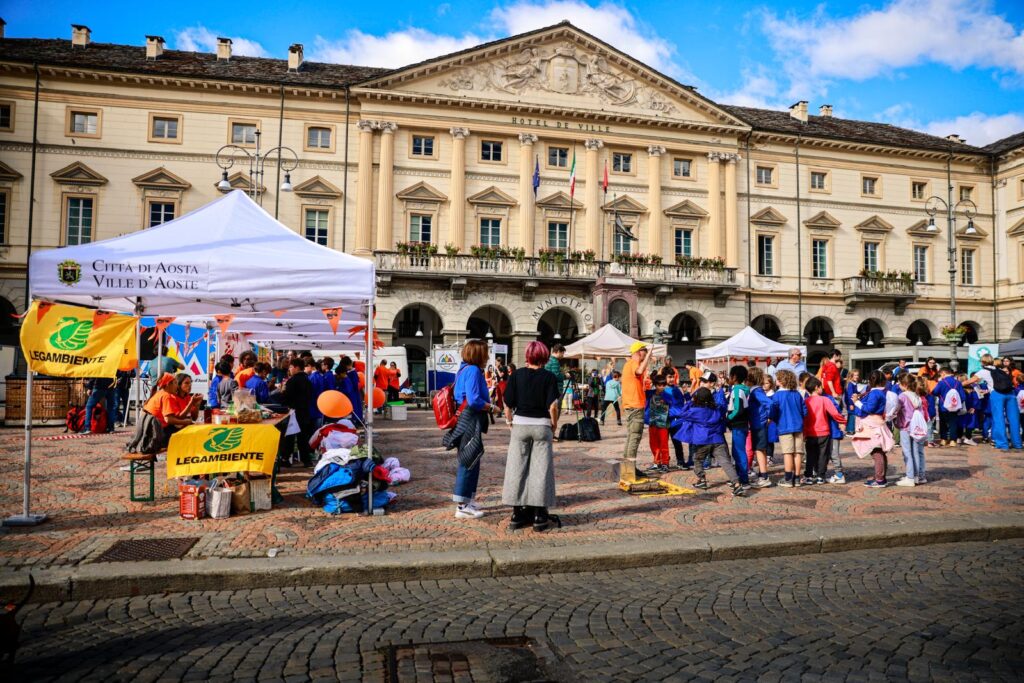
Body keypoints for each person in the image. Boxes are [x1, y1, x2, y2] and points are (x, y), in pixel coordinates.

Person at [502, 341, 562, 532]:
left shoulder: (517, 375)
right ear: (544, 357)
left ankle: (517, 513)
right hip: (541, 426)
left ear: (527, 356)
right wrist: (554, 425)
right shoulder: (549, 377)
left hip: (520, 424)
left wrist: (510, 422)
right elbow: (553, 406)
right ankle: (538, 515)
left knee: (516, 468)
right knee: (540, 469)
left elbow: (507, 405)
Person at [446, 339, 494, 519]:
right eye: (485, 352)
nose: (488, 356)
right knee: (468, 460)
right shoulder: (473, 370)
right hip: (470, 418)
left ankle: (468, 500)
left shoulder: (464, 369)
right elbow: (474, 400)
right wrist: (491, 407)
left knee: (472, 458)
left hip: (465, 418)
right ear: (478, 354)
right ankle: (462, 505)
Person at [673, 387, 748, 497]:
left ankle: (702, 479)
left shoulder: (695, 411)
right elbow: (723, 407)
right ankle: (737, 484)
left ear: (697, 399)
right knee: (726, 462)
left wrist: (690, 402)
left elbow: (682, 413)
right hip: (718, 440)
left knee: (697, 460)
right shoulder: (716, 409)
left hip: (702, 441)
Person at [965, 354, 1019, 451]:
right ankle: (1017, 443)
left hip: (997, 394)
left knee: (998, 419)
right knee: (1014, 419)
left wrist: (958, 384)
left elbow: (969, 381)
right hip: (1011, 394)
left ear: (982, 362)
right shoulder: (999, 370)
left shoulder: (983, 371)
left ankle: (1002, 444)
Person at [852, 370, 896, 488]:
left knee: (876, 452)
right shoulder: (882, 392)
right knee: (879, 452)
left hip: (873, 425)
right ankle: (881, 477)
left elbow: (869, 408)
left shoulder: (874, 393)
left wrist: (857, 402)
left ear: (871, 381)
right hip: (878, 423)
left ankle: (880, 479)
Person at [803, 376, 846, 485]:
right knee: (823, 455)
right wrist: (843, 421)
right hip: (824, 432)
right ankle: (820, 477)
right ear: (817, 387)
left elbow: (803, 417)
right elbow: (835, 413)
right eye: (821, 387)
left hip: (810, 432)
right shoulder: (824, 399)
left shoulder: (806, 401)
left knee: (810, 455)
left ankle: (808, 476)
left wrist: (803, 432)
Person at [621, 341, 654, 481]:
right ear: (638, 352)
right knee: (634, 437)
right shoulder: (633, 362)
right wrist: (650, 353)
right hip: (635, 405)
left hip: (631, 405)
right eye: (644, 352)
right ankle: (630, 470)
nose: (645, 355)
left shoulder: (628, 364)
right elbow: (639, 370)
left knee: (631, 436)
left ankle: (628, 467)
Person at [770, 369, 806, 488]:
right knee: (798, 452)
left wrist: (774, 420)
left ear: (780, 381)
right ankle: (797, 477)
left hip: (784, 426)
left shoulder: (777, 395)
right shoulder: (797, 394)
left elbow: (773, 412)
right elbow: (804, 411)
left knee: (788, 453)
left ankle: (788, 479)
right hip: (798, 425)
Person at [278, 358, 315, 467]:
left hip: (294, 412)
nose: (289, 369)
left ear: (296, 367)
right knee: (303, 438)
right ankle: (306, 460)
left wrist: (282, 392)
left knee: (289, 437)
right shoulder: (307, 380)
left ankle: (285, 458)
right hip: (305, 412)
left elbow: (286, 397)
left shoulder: (293, 380)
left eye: (291, 367)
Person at [895, 372, 927, 487]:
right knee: (916, 452)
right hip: (915, 427)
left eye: (899, 383)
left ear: (904, 384)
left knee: (907, 452)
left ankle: (910, 477)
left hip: (905, 427)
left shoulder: (902, 396)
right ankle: (917, 476)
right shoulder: (917, 396)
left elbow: (896, 409)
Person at [746, 367, 772, 487]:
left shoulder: (756, 391)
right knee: (759, 450)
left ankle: (764, 477)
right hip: (757, 423)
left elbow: (769, 403)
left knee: (760, 450)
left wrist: (768, 418)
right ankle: (763, 475)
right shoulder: (755, 390)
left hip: (759, 424)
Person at [726, 365, 751, 485]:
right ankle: (738, 477)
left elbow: (737, 409)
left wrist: (728, 418)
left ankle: (744, 480)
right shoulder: (743, 389)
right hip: (742, 424)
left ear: (734, 377)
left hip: (739, 425)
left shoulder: (737, 390)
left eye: (729, 376)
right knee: (737, 451)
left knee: (739, 452)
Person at [644, 372, 673, 473]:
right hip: (653, 422)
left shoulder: (667, 394)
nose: (661, 387)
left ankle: (665, 463)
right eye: (659, 385)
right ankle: (657, 462)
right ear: (655, 385)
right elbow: (643, 389)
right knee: (653, 444)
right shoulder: (650, 393)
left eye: (663, 385)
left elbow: (671, 402)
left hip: (663, 424)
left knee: (663, 445)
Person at [932, 366, 965, 447]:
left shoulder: (941, 382)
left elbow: (935, 392)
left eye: (940, 374)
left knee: (943, 423)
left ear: (943, 373)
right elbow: (963, 396)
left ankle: (944, 439)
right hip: (954, 407)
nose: (940, 376)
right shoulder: (958, 383)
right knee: (953, 423)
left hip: (943, 406)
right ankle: (953, 440)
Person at [844, 369, 861, 435]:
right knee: (852, 415)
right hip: (851, 402)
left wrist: (859, 394)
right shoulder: (850, 384)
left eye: (857, 375)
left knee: (852, 415)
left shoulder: (854, 383)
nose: (857, 376)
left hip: (853, 401)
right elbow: (849, 394)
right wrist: (851, 404)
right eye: (855, 375)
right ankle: (850, 430)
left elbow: (855, 392)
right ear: (851, 376)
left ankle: (850, 429)